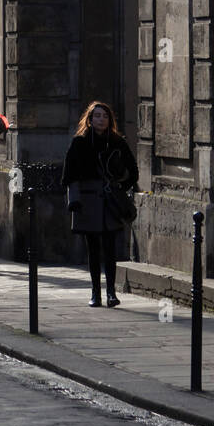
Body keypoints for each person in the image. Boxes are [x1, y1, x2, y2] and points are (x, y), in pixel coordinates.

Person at [61, 100, 138, 308]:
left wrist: (120, 184)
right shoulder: (80, 142)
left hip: (110, 201)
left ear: (109, 120)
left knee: (110, 249)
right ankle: (96, 292)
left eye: (104, 116)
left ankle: (111, 292)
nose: (101, 119)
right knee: (93, 249)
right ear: (90, 119)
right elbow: (69, 174)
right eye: (97, 116)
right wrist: (74, 200)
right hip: (88, 201)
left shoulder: (118, 142)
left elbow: (133, 172)